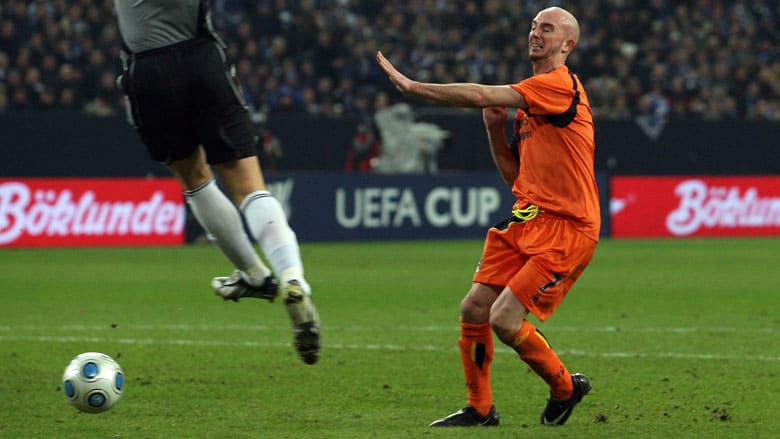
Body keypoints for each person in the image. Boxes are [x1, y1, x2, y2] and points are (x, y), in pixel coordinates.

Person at [377, 6, 600, 427]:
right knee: (475, 308)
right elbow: (518, 178)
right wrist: (494, 130)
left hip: (567, 227)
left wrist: (413, 86)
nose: (535, 33)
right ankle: (480, 409)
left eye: (547, 28)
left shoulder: (558, 85)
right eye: (533, 26)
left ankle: (566, 388)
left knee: (503, 318)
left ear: (568, 44)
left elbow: (480, 94)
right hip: (527, 218)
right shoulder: (530, 105)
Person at [113, 0, 320, 365]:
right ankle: (292, 276)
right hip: (202, 60)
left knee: (194, 179)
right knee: (249, 187)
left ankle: (254, 274)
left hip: (149, 69)